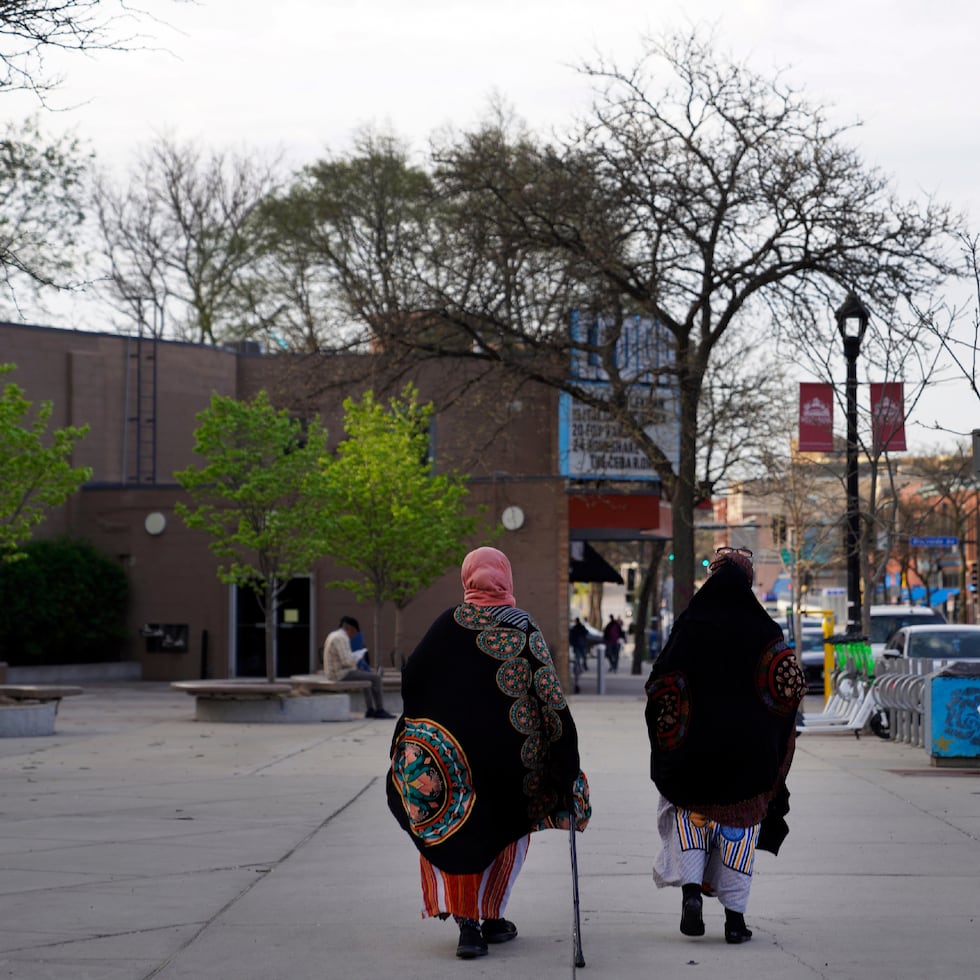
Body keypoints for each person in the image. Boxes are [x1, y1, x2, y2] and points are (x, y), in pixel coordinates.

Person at [387, 546, 591, 960]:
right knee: (505, 829)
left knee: (457, 828)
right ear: (506, 580)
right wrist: (565, 759)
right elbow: (550, 699)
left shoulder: (446, 625)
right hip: (509, 764)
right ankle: (492, 915)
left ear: (468, 579)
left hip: (453, 764)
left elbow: (412, 679)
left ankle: (470, 925)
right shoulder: (522, 627)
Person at [643, 547, 806, 945]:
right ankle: (735, 921)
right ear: (748, 580)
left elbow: (661, 681)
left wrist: (674, 731)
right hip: (747, 760)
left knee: (693, 821)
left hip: (694, 758)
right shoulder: (763, 628)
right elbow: (790, 685)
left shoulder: (691, 623)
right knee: (739, 833)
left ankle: (691, 895)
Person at [322, 615, 394, 719]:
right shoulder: (341, 638)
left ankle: (370, 709)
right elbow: (345, 661)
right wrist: (357, 657)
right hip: (340, 674)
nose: (354, 635)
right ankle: (380, 710)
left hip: (334, 672)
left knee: (366, 675)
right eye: (355, 632)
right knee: (376, 678)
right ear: (350, 628)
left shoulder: (333, 635)